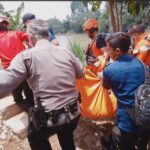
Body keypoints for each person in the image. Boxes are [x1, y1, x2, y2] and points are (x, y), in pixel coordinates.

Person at [0, 19, 84, 150]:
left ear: (31, 38)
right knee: (66, 136)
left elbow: (3, 84)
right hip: (74, 113)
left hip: (50, 120)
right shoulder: (66, 52)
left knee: (34, 137)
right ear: (48, 35)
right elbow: (81, 74)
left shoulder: (26, 57)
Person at [102, 32, 150, 150]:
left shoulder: (110, 70)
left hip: (127, 123)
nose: (107, 52)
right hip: (146, 117)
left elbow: (106, 86)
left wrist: (107, 65)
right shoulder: (142, 65)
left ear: (117, 51)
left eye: (109, 50)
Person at [0, 16, 33, 111]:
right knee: (29, 91)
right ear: (6, 25)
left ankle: (31, 112)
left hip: (11, 72)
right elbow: (31, 38)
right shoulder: (16, 33)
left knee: (18, 98)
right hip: (26, 67)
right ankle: (34, 109)